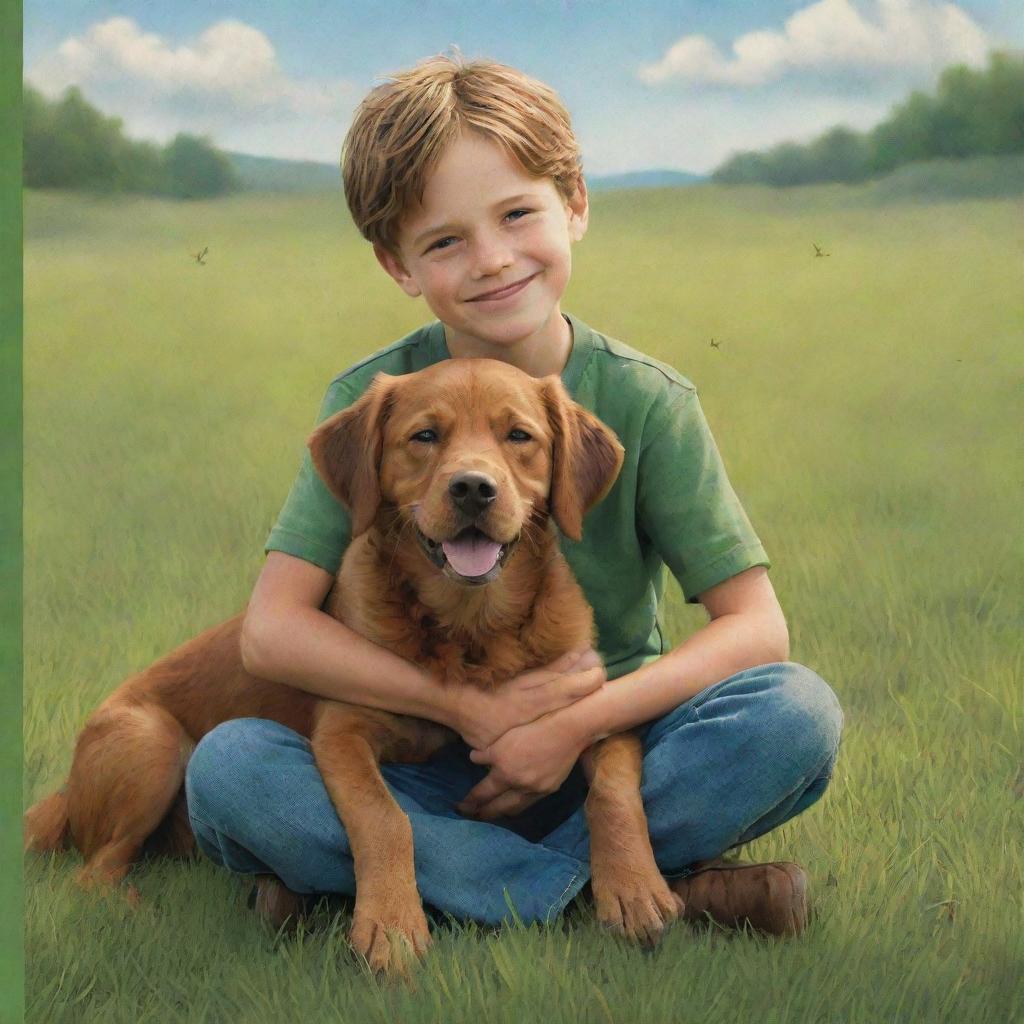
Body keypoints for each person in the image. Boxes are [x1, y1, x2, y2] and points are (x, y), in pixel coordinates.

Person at [185, 53, 843, 941]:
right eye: (446, 239)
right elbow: (271, 631)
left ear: (574, 203)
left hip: (606, 758)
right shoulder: (370, 401)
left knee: (792, 714)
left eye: (517, 214)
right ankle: (614, 895)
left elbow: (758, 629)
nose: (493, 260)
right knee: (232, 770)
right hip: (418, 764)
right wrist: (468, 710)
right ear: (397, 263)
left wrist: (572, 730)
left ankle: (426, 884)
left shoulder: (648, 403)